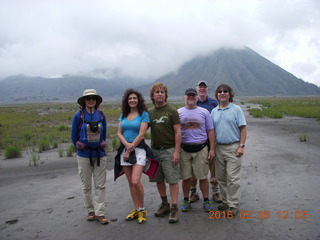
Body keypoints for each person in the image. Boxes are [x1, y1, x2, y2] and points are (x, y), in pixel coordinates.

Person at [71, 89, 108, 225]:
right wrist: (79, 147)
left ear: (96, 100)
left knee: (100, 185)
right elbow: (73, 136)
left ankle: (100, 212)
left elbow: (104, 135)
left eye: (93, 98)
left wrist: (101, 145)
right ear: (84, 101)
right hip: (84, 155)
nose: (91, 100)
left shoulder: (102, 115)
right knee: (86, 185)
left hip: (99, 154)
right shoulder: (78, 116)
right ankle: (90, 211)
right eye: (88, 98)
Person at [211, 84, 247, 216]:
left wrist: (241, 146)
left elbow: (243, 128)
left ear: (230, 94)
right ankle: (226, 201)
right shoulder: (214, 111)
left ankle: (233, 204)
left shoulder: (236, 109)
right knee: (221, 177)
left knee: (232, 178)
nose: (222, 93)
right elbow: (212, 131)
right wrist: (212, 149)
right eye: (220, 91)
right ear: (217, 95)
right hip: (219, 147)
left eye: (225, 91)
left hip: (233, 146)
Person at [148, 82, 181, 223]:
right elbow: (142, 128)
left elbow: (178, 131)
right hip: (155, 151)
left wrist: (177, 151)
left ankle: (174, 208)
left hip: (169, 150)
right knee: (158, 179)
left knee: (172, 180)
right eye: (157, 92)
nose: (160, 94)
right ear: (153, 95)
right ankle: (165, 204)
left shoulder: (172, 111)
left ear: (166, 95)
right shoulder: (149, 112)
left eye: (162, 92)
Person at [178, 88, 215, 213]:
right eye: (188, 96)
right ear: (184, 97)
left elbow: (210, 131)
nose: (191, 98)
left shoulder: (204, 112)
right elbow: (176, 133)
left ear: (197, 97)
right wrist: (176, 150)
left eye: (193, 96)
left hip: (201, 148)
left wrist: (212, 149)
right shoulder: (178, 113)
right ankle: (185, 200)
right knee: (186, 177)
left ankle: (206, 200)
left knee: (203, 176)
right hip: (184, 149)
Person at [116, 89, 150, 224]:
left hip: (138, 150)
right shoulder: (123, 115)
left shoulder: (144, 115)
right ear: (127, 100)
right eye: (130, 98)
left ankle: (142, 209)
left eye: (135, 98)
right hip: (125, 150)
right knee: (130, 183)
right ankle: (136, 209)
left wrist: (130, 149)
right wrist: (125, 144)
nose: (132, 100)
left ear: (138, 100)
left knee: (136, 181)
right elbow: (119, 132)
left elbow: (141, 134)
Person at [190, 80, 222, 204]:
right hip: (196, 141)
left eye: (204, 87)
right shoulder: (192, 103)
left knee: (213, 166)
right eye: (200, 87)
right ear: (196, 89)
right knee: (194, 166)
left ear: (207, 89)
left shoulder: (214, 103)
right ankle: (193, 192)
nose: (202, 89)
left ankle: (215, 191)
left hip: (211, 140)